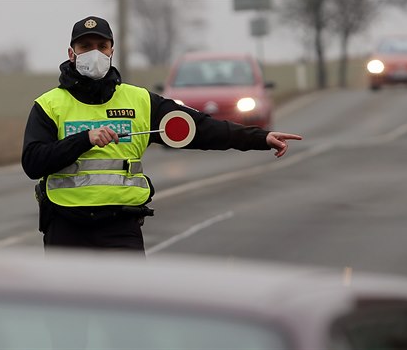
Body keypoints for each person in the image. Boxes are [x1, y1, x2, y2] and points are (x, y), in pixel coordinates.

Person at [21, 16, 303, 253]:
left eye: (101, 46)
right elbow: (33, 162)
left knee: (128, 316)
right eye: (85, 46)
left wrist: (259, 137)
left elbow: (202, 128)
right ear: (72, 53)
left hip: (121, 228)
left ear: (111, 51)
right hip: (66, 229)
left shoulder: (140, 100)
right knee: (70, 318)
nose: (94, 53)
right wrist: (84, 139)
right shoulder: (49, 105)